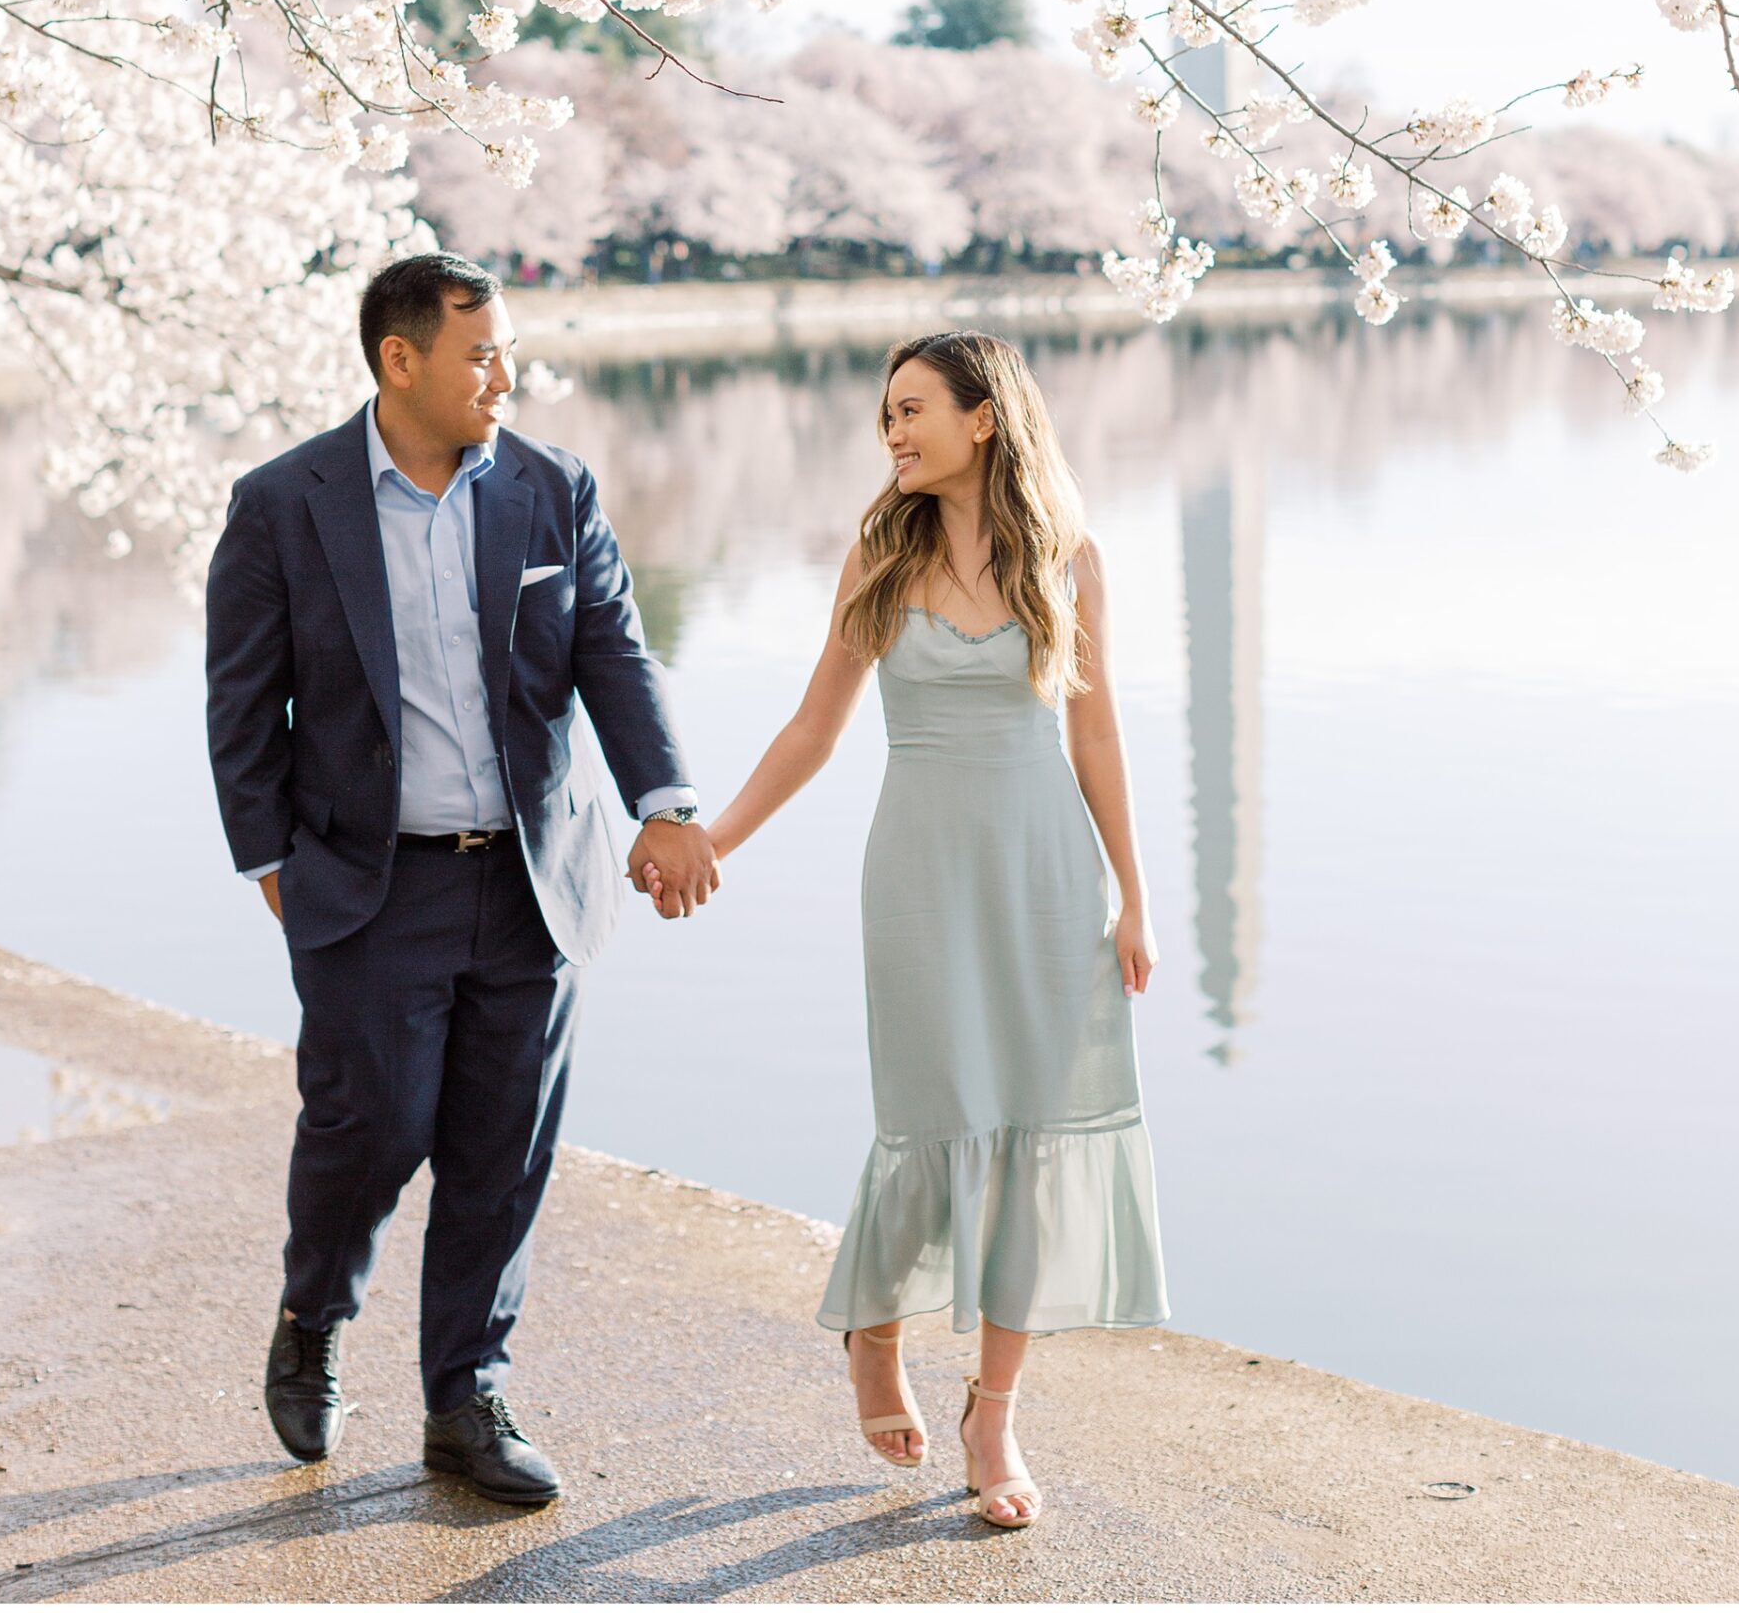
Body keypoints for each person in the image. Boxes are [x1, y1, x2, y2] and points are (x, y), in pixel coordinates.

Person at [205, 252, 717, 1504]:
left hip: (530, 882)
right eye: (480, 352)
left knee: (502, 1146)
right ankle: (313, 1314)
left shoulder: (551, 488)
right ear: (401, 360)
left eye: (506, 351)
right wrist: (271, 861)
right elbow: (239, 700)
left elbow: (613, 651)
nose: (504, 374)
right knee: (368, 1121)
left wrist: (667, 802)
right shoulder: (285, 502)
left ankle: (462, 1399)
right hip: (366, 885)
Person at [686, 330, 1169, 1531]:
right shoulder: (879, 553)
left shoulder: (1069, 558)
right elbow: (812, 727)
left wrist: (1132, 891)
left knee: (1034, 1133)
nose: (892, 432)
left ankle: (992, 1411)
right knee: (928, 1118)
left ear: (983, 418)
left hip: (1044, 875)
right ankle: (875, 1326)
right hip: (917, 872)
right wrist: (716, 839)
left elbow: (1094, 735)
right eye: (883, 416)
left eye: (911, 410)